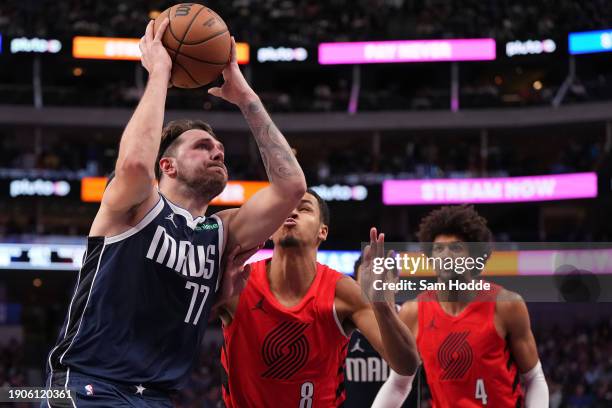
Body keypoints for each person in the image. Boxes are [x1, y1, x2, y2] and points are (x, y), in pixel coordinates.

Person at [44, 18, 306, 407]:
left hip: (158, 397)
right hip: (89, 385)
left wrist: (246, 98)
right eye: (203, 146)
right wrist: (160, 74)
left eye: (220, 149)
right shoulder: (137, 205)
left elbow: (292, 187)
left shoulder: (221, 229)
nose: (218, 152)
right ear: (166, 166)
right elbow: (134, 164)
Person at [217, 189, 419, 407]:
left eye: (304, 209)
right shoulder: (238, 282)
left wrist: (382, 307)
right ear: (271, 229)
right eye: (284, 209)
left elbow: (406, 365)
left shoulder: (343, 292)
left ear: (322, 232)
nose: (292, 213)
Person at [372, 205, 549, 408]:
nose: (446, 256)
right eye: (439, 249)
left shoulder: (507, 305)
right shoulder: (413, 312)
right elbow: (398, 385)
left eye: (455, 248)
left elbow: (534, 378)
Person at [344, 257, 414, 408]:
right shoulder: (342, 328)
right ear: (356, 285)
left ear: (395, 282)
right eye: (368, 281)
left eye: (381, 280)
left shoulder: (413, 321)